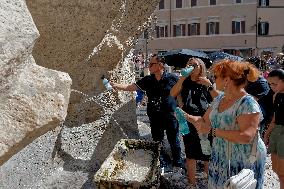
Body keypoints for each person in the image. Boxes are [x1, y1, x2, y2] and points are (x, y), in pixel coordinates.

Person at [178, 59, 266, 188]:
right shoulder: (219, 98)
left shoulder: (247, 103)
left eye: (216, 77)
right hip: (221, 154)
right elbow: (204, 121)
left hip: (243, 158)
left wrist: (213, 131)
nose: (213, 80)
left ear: (227, 80)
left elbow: (247, 136)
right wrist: (186, 116)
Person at [111, 54, 183, 171]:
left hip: (171, 115)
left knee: (174, 140)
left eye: (151, 64)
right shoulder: (148, 79)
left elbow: (180, 94)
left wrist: (181, 110)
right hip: (155, 116)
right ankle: (161, 163)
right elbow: (130, 87)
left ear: (160, 65)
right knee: (157, 141)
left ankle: (178, 164)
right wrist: (115, 85)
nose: (148, 66)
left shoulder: (173, 78)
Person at [170, 58, 215, 186]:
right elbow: (172, 93)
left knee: (207, 152)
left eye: (195, 65)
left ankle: (210, 182)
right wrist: (182, 77)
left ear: (201, 67)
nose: (192, 67)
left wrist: (209, 85)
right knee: (190, 153)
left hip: (205, 120)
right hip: (187, 120)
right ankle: (192, 184)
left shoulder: (207, 81)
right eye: (189, 65)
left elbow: (218, 99)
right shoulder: (184, 81)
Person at [264, 69, 284, 189]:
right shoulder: (276, 96)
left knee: (282, 173)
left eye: (275, 84)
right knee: (276, 169)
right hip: (276, 131)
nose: (272, 87)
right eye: (270, 84)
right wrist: (267, 133)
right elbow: (275, 118)